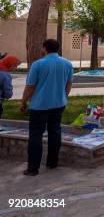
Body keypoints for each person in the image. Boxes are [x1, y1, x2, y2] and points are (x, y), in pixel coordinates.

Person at [20, 39, 73, 176]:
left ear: (44, 48)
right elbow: (68, 84)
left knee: (36, 136)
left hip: (39, 106)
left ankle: (33, 168)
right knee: (55, 132)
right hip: (59, 104)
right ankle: (52, 163)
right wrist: (64, 97)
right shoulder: (67, 64)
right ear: (58, 49)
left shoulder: (38, 64)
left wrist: (23, 102)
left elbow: (30, 86)